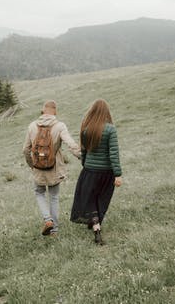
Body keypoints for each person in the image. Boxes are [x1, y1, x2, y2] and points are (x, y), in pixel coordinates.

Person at [23, 100, 81, 236]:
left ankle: (47, 219)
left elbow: (25, 150)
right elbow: (71, 144)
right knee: (54, 197)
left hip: (38, 169)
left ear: (43, 111)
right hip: (54, 169)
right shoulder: (60, 126)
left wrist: (32, 165)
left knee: (39, 192)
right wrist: (82, 156)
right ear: (55, 111)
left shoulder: (32, 126)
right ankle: (54, 229)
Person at [70, 99, 122, 245]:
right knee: (101, 199)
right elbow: (114, 154)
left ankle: (95, 227)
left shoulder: (87, 130)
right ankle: (96, 224)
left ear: (92, 111)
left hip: (90, 172)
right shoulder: (111, 129)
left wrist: (85, 166)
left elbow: (84, 153)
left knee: (91, 199)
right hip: (107, 173)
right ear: (106, 112)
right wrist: (118, 174)